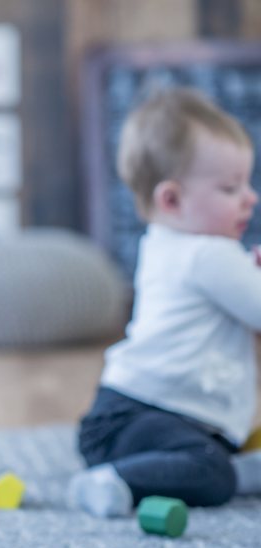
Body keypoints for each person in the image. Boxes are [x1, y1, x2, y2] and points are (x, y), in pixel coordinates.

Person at [70, 87, 261, 519]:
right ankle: (114, 481)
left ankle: (219, 468)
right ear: (171, 200)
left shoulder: (166, 243)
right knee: (211, 472)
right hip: (136, 417)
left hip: (128, 417)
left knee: (209, 455)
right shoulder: (207, 254)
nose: (250, 197)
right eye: (231, 188)